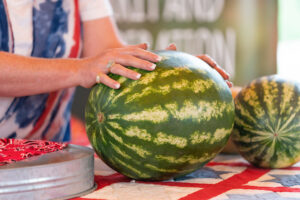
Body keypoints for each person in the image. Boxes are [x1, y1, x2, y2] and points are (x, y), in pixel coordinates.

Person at [0, 0, 231, 142]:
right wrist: (81, 69)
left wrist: (174, 66)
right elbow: (90, 66)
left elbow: (108, 51)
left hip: (50, 161)